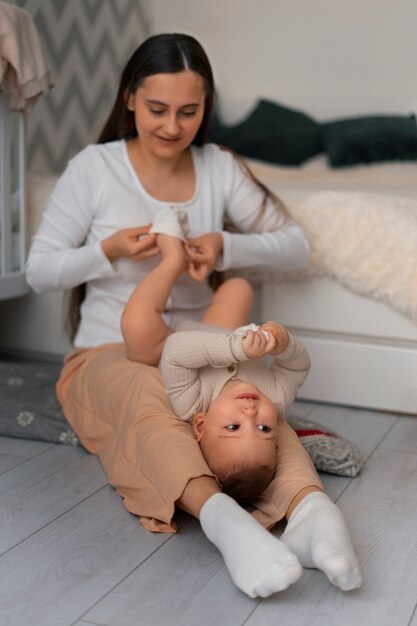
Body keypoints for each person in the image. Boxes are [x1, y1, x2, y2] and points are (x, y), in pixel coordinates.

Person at [26, 33, 362, 598]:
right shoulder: (94, 168)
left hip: (204, 348)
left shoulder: (217, 166)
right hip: (111, 351)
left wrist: (226, 247)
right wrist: (106, 251)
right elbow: (38, 271)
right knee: (150, 403)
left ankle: (310, 515)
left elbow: (296, 246)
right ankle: (225, 523)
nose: (172, 126)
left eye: (190, 111)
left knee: (255, 414)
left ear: (206, 107)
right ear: (130, 98)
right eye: (157, 109)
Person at [121, 226, 310, 504]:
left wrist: (236, 348)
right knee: (239, 287)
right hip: (218, 330)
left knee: (136, 325)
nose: (250, 413)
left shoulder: (192, 403)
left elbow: (175, 352)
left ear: (200, 425)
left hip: (166, 343)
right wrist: (284, 345)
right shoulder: (276, 398)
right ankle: (194, 267)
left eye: (233, 427)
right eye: (264, 429)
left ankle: (172, 260)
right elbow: (298, 367)